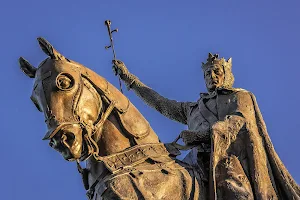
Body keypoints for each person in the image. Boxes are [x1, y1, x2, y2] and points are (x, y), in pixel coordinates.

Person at [112, 53, 300, 199]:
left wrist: (201, 136)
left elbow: (237, 122)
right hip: (194, 163)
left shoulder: (240, 96)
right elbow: (161, 104)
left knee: (233, 188)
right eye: (208, 73)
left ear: (226, 74)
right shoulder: (192, 109)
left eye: (216, 71)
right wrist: (130, 80)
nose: (212, 76)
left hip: (226, 160)